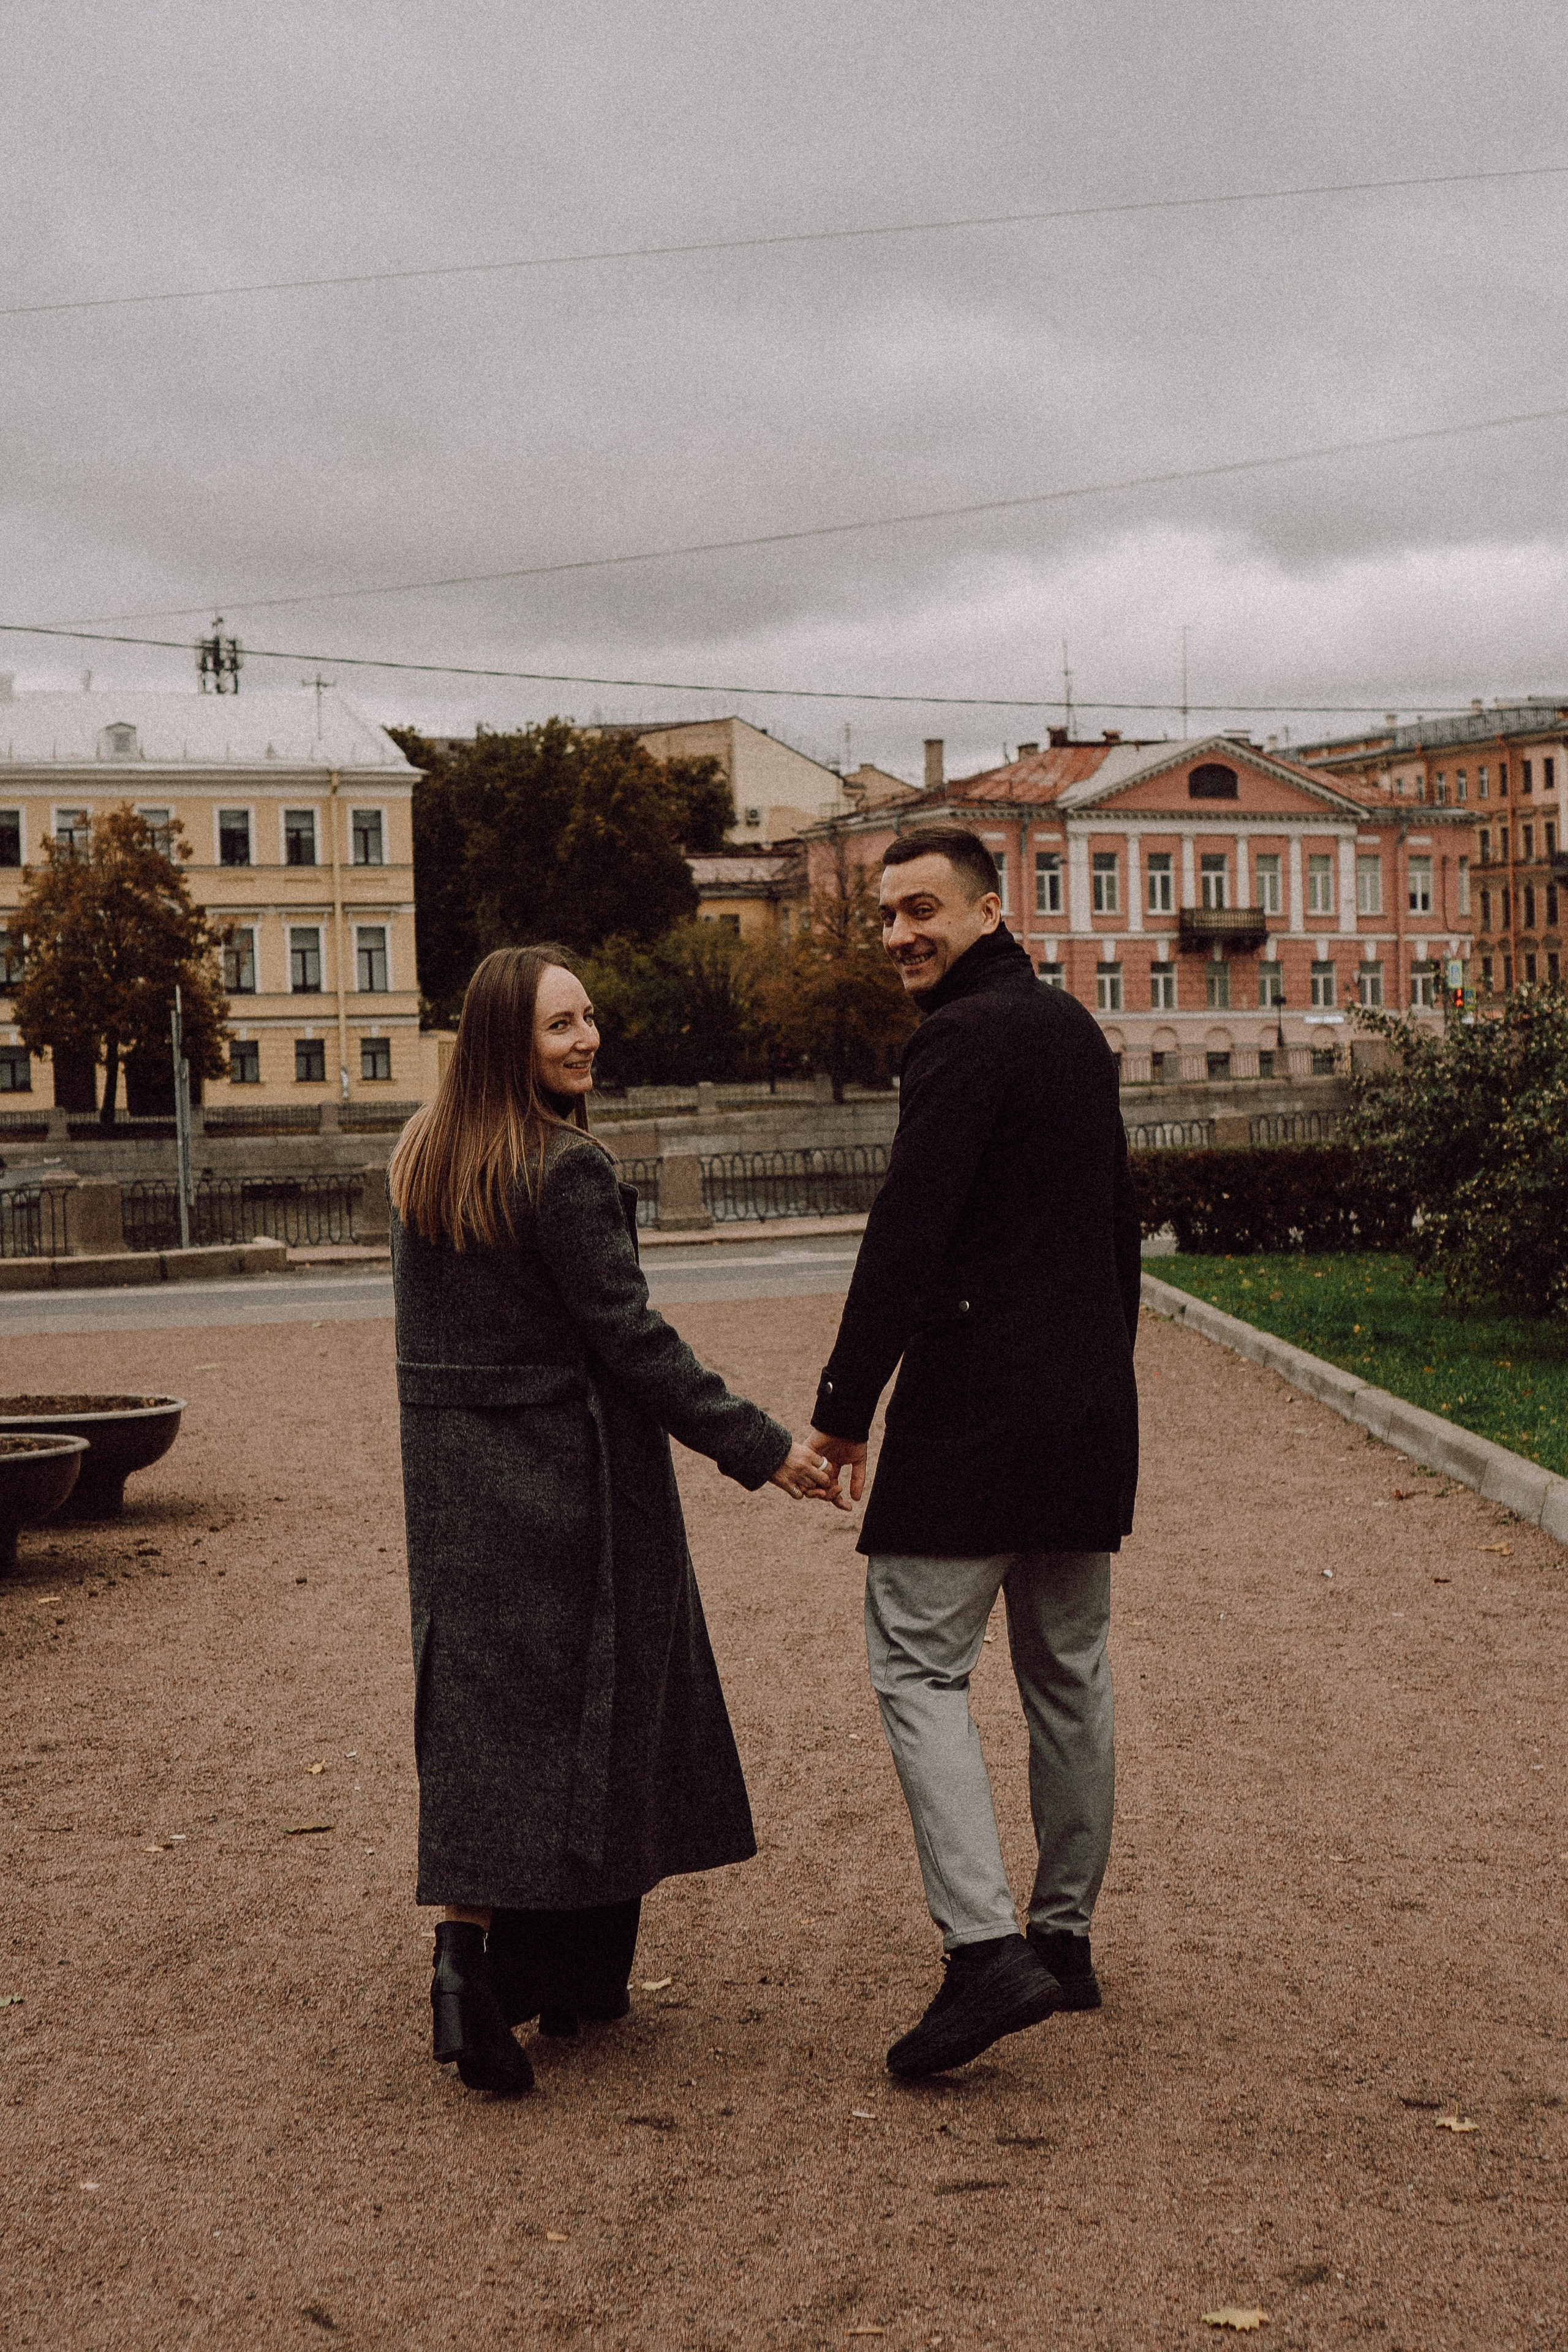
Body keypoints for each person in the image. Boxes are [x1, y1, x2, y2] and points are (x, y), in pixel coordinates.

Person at [388, 944, 840, 2095]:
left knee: (486, 1728)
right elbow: (633, 1342)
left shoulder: (423, 1161)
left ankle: (473, 1960)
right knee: (606, 1702)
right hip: (574, 1481)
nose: (587, 1040)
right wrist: (766, 1450)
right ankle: (577, 1969)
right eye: (559, 1027)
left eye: (589, 1019)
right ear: (508, 1044)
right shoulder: (564, 1170)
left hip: (457, 1488)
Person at [807, 828, 1141, 2079]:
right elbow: (1119, 1226)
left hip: (974, 1419)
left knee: (914, 1662)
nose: (899, 933)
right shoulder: (1069, 1029)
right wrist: (1101, 1380)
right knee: (1067, 1671)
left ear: (988, 909)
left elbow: (910, 1229)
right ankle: (1061, 1941)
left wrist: (845, 1406)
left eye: (922, 910)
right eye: (887, 915)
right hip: (1081, 1412)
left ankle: (980, 1950)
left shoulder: (956, 1038)